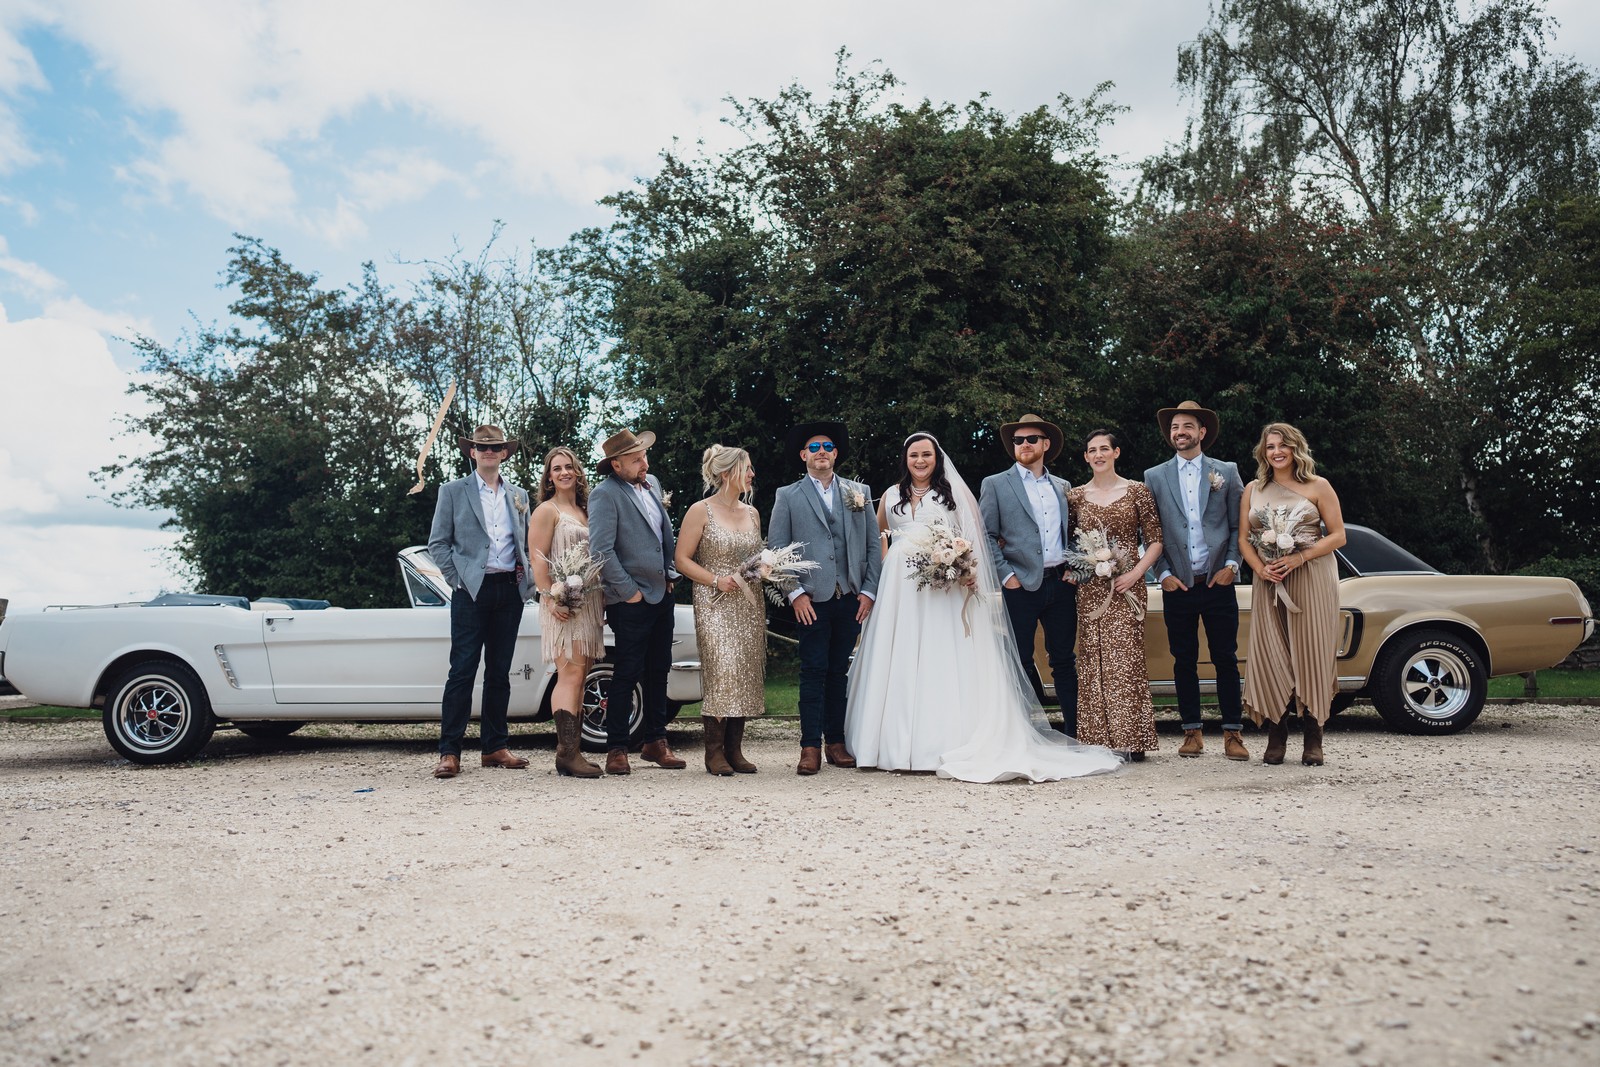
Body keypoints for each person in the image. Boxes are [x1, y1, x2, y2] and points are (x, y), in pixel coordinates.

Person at [840, 432, 1123, 783]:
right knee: (897, 656)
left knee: (940, 658)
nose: (920, 461)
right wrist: (886, 566)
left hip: (942, 589)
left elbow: (974, 539)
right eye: (914, 455)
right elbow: (878, 536)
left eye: (927, 454)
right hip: (898, 589)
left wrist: (963, 567)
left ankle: (940, 742)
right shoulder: (890, 495)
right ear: (905, 458)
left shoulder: (952, 494)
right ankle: (890, 744)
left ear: (936, 458)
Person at [768, 422, 882, 776]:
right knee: (813, 670)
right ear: (804, 456)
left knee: (838, 672)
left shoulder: (858, 491)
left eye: (827, 446)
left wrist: (868, 591)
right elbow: (777, 551)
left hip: (850, 596)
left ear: (835, 453)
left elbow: (873, 546)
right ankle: (809, 747)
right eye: (814, 447)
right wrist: (795, 594)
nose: (821, 452)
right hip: (811, 599)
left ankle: (836, 742)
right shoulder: (788, 495)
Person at [1143, 400, 1250, 761]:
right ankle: (1191, 731)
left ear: (1201, 432)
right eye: (1174, 427)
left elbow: (1240, 526)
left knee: (1225, 658)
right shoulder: (1154, 476)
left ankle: (1233, 732)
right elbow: (1151, 532)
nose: (1180, 432)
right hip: (1179, 585)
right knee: (1183, 659)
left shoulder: (1227, 471)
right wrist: (1164, 575)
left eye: (1187, 426)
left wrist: (1233, 565)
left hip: (1218, 581)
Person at [426, 425, 535, 779]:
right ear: (472, 452)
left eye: (496, 447)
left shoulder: (518, 495)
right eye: (482, 447)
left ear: (505, 453)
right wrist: (458, 579)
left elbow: (527, 542)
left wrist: (528, 582)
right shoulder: (452, 491)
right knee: (462, 671)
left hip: (510, 590)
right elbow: (438, 543)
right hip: (471, 591)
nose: (489, 452)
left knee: (500, 671)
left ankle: (494, 747)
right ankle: (449, 751)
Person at [1239, 422, 1347, 766]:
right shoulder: (1253, 489)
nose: (1276, 452)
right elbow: (1243, 538)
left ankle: (1314, 734)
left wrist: (1300, 556)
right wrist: (1259, 567)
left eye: (1283, 446)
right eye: (1270, 447)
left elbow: (1338, 535)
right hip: (1268, 579)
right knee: (1271, 652)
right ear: (1263, 452)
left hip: (1312, 576)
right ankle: (1276, 731)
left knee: (1312, 650)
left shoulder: (1319, 485)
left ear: (1295, 448)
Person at [586, 428, 686, 775]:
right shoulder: (604, 495)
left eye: (644, 456)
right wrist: (629, 592)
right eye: (636, 459)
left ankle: (655, 742)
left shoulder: (652, 484)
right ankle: (616, 749)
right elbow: (600, 550)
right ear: (616, 465)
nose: (645, 463)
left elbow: (661, 536)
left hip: (662, 594)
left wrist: (670, 573)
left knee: (659, 670)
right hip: (629, 599)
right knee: (627, 672)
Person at [978, 414, 1079, 734]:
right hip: (1020, 586)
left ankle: (1075, 732)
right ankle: (1021, 733)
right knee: (1019, 660)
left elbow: (1075, 533)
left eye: (1031, 439)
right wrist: (1007, 576)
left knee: (1064, 660)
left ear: (1045, 445)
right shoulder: (995, 484)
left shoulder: (1063, 487)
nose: (1023, 445)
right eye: (1017, 440)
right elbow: (986, 534)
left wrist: (1074, 569)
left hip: (1060, 584)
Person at [1068, 430, 1165, 760]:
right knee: (1093, 660)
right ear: (1085, 457)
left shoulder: (1137, 490)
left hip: (1128, 586)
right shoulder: (1075, 496)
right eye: (1091, 450)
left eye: (1104, 449)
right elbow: (1069, 543)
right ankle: (1098, 742)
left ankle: (1130, 739)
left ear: (1116, 452)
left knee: (1124, 660)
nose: (1098, 454)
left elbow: (1155, 540)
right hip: (1090, 588)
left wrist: (1137, 573)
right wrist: (1078, 568)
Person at [673, 445, 767, 775]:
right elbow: (682, 559)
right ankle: (713, 752)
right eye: (747, 468)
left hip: (748, 603)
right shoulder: (701, 510)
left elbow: (756, 557)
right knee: (722, 670)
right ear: (727, 474)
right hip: (714, 602)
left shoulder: (752, 513)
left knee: (743, 669)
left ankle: (734, 750)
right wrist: (716, 579)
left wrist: (765, 568)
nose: (753, 474)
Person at [527, 446, 603, 779]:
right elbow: (537, 557)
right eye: (556, 468)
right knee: (568, 674)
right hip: (562, 604)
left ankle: (574, 752)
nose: (563, 473)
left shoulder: (586, 510)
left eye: (569, 467)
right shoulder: (547, 510)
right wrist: (550, 597)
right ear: (549, 476)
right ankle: (566, 753)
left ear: (578, 472)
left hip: (588, 603)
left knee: (580, 675)